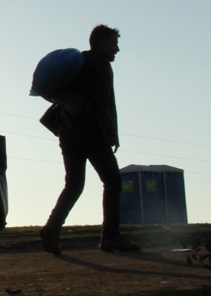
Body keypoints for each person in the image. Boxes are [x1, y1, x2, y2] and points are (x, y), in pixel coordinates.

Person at [39, 25, 140, 254]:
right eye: (114, 44)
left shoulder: (79, 63)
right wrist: (111, 133)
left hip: (68, 133)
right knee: (113, 180)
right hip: (91, 134)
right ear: (102, 43)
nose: (117, 49)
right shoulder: (101, 66)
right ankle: (110, 237)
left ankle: (52, 228)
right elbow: (101, 103)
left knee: (74, 185)